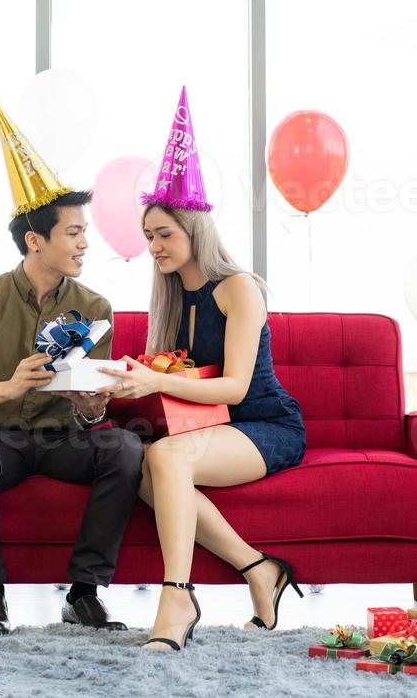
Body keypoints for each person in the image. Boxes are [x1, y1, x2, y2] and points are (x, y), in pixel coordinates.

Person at [99, 86, 306, 652]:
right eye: (148, 237)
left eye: (164, 234)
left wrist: (156, 380)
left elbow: (237, 386)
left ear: (196, 230)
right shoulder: (169, 302)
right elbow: (173, 388)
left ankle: (177, 595)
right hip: (211, 429)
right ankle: (260, 569)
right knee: (142, 466)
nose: (155, 247)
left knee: (163, 457)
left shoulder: (239, 288)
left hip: (265, 425)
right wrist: (112, 390)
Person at [0, 96, 143, 636]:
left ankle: (84, 593)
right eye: (73, 232)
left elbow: (93, 410)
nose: (83, 242)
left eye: (84, 231)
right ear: (35, 240)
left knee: (124, 446)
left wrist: (94, 407)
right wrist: (8, 386)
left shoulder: (94, 307)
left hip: (62, 440)